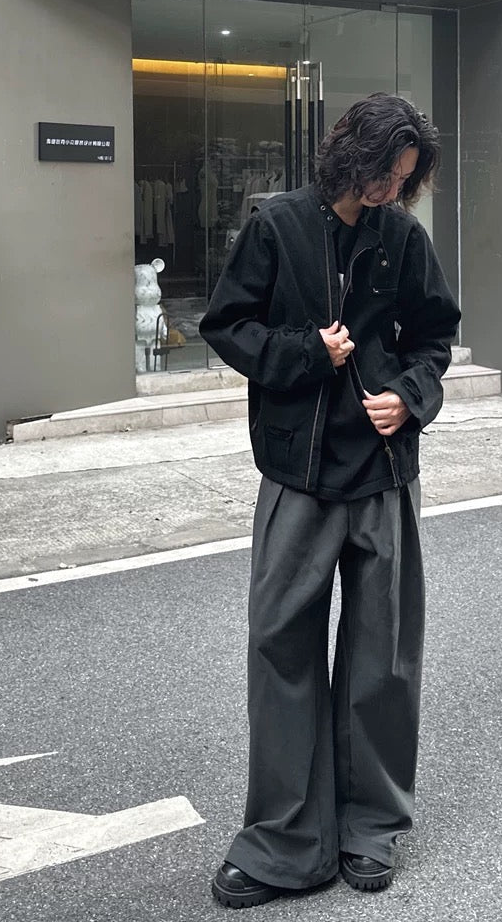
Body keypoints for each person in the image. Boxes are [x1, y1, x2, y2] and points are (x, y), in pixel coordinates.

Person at [200, 93, 461, 909]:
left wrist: (410, 398)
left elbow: (434, 339)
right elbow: (227, 326)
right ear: (351, 154)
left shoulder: (402, 238)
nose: (392, 190)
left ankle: (370, 826)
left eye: (405, 179)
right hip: (298, 472)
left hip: (382, 472)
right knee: (280, 647)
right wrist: (306, 353)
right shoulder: (276, 225)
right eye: (386, 173)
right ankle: (285, 842)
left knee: (383, 657)